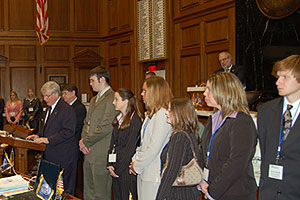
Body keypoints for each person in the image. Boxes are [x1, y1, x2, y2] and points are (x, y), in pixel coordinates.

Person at [199, 72, 257, 199]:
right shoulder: (213, 119)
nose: (204, 93)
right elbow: (204, 153)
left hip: (235, 192)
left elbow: (237, 163)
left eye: (209, 89)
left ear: (223, 91)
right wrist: (202, 180)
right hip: (211, 188)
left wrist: (212, 191)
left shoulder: (242, 121)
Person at [258, 55, 300, 199]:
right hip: (269, 192)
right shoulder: (266, 111)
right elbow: (265, 151)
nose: (277, 82)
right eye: (278, 77)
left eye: (285, 77)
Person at [26, 81, 78, 195]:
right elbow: (48, 128)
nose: (45, 99)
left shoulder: (66, 109)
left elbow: (68, 131)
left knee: (63, 192)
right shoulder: (48, 108)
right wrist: (39, 135)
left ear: (56, 94)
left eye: (47, 96)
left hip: (64, 156)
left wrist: (47, 139)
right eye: (43, 96)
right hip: (51, 155)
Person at [129, 76, 173, 200]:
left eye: (145, 91)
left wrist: (137, 165)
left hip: (153, 174)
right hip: (143, 170)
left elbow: (153, 148)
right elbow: (143, 144)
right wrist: (134, 161)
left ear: (155, 93)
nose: (142, 94)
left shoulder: (162, 116)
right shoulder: (150, 115)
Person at [79, 66, 118, 200]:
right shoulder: (94, 99)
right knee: (88, 191)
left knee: (101, 193)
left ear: (102, 79)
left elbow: (106, 127)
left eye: (92, 81)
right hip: (88, 151)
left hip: (101, 151)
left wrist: (86, 141)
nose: (90, 84)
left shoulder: (112, 98)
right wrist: (82, 140)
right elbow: (86, 123)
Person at [156, 97, 201, 200]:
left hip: (179, 193)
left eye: (170, 110)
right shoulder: (189, 133)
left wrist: (160, 197)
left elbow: (172, 170)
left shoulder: (180, 137)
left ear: (179, 113)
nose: (166, 113)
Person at [107, 88, 142, 200]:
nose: (113, 102)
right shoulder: (118, 119)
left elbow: (130, 148)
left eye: (116, 99)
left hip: (126, 170)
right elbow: (113, 144)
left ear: (126, 101)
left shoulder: (135, 121)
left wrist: (119, 169)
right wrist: (110, 164)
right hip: (116, 168)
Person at [62, 83, 87, 198]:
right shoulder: (66, 107)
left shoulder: (79, 108)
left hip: (74, 145)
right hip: (67, 145)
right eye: (62, 93)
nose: (63, 96)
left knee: (74, 175)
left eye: (65, 93)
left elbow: (75, 128)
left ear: (73, 93)